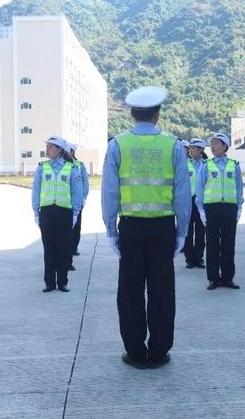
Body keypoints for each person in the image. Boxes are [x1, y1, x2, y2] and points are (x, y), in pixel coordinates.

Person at [101, 86, 191, 369]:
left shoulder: (118, 144)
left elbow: (110, 192)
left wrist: (111, 229)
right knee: (162, 291)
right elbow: (182, 193)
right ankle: (159, 351)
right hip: (163, 228)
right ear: (158, 113)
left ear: (131, 113)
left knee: (129, 291)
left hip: (130, 228)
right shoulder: (173, 145)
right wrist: (182, 230)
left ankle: (136, 352)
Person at [32, 136, 82, 293]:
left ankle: (62, 282)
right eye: (47, 147)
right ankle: (49, 282)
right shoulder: (42, 167)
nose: (47, 150)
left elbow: (76, 192)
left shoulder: (71, 168)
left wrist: (75, 213)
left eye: (50, 147)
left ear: (60, 150)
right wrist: (36, 211)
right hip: (46, 212)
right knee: (49, 248)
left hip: (64, 212)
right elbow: (36, 190)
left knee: (63, 248)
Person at [196, 132, 244, 290]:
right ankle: (213, 278)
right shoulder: (206, 165)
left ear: (225, 146)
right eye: (212, 143)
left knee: (229, 245)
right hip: (211, 208)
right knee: (212, 244)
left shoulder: (234, 165)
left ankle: (228, 278)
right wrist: (201, 210)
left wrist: (239, 207)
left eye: (216, 143)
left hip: (229, 208)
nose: (213, 146)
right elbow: (200, 189)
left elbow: (239, 188)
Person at [183, 137, 207, 269]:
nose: (191, 150)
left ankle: (199, 258)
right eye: (190, 148)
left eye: (194, 148)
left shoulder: (207, 165)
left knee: (200, 231)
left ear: (201, 150)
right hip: (188, 200)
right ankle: (189, 259)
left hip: (202, 201)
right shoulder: (185, 164)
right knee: (187, 230)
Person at [67, 142, 89, 271]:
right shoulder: (63, 165)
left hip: (78, 201)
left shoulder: (80, 165)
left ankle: (74, 247)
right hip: (64, 203)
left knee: (76, 228)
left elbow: (85, 183)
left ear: (73, 152)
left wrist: (84, 197)